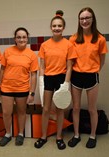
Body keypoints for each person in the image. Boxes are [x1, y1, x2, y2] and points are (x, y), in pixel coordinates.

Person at [34, 10, 77, 150]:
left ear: (63, 28)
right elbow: (42, 66)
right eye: (54, 26)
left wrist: (66, 84)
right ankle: (43, 136)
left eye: (59, 26)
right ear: (51, 27)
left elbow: (70, 67)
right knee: (46, 109)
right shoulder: (45, 45)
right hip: (48, 78)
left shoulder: (69, 45)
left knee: (60, 110)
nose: (57, 28)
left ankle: (59, 137)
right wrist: (41, 82)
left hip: (61, 79)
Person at [67, 7, 108, 149]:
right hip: (76, 76)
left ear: (92, 19)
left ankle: (92, 136)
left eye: (87, 18)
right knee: (76, 108)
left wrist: (93, 70)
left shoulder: (100, 39)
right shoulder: (73, 38)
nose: (84, 21)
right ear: (79, 21)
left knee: (92, 109)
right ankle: (76, 135)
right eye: (82, 18)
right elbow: (70, 61)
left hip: (92, 76)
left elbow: (102, 60)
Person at [0, 27, 39, 146]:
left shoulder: (31, 55)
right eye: (19, 37)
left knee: (21, 112)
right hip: (7, 88)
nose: (21, 39)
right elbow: (2, 70)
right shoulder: (7, 52)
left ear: (27, 39)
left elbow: (34, 76)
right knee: (6, 113)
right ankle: (8, 134)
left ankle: (20, 134)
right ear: (15, 39)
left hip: (23, 89)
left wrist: (32, 93)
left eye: (24, 37)